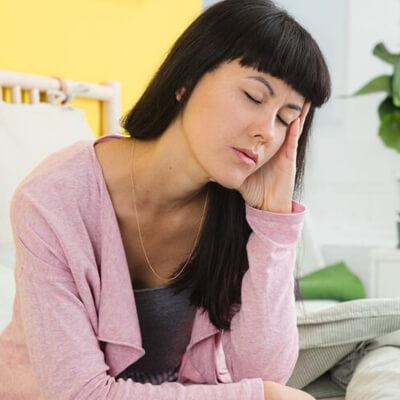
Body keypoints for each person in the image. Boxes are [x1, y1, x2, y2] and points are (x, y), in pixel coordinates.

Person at [0, 0, 331, 399]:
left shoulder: (234, 207)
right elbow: (79, 394)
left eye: (284, 118)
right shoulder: (52, 199)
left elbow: (263, 371)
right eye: (254, 97)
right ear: (185, 81)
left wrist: (274, 225)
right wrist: (265, 396)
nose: (266, 131)